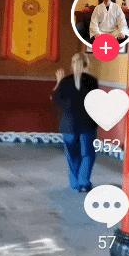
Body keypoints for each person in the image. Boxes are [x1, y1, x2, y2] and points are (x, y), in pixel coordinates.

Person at [51, 53, 98, 192]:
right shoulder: (92, 81)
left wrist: (59, 82)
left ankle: (75, 183)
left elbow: (55, 100)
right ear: (87, 64)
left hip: (68, 125)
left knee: (72, 155)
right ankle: (84, 182)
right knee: (88, 154)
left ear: (72, 64)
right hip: (87, 124)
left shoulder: (65, 81)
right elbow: (96, 101)